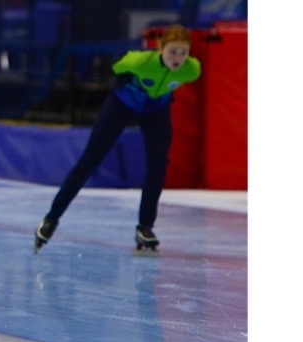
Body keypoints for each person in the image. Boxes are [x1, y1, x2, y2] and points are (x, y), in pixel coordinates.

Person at [33, 24, 201, 254]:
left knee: (158, 165)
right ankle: (51, 219)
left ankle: (145, 227)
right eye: (173, 51)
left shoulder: (192, 69)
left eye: (183, 52)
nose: (178, 58)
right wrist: (133, 90)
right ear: (160, 47)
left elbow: (175, 80)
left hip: (156, 108)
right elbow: (118, 69)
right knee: (91, 159)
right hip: (124, 102)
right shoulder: (139, 61)